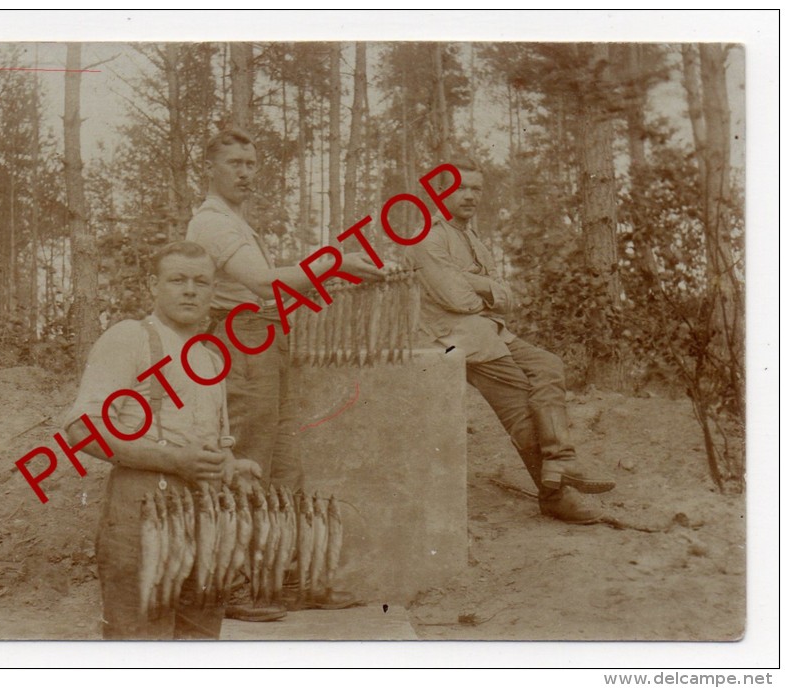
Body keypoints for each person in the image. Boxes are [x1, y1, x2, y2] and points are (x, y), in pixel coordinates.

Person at [186, 128, 381, 610]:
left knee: (285, 466)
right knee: (246, 460)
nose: (246, 173)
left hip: (268, 338)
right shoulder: (211, 222)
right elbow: (263, 282)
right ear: (208, 169)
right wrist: (335, 263)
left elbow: (275, 288)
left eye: (251, 164)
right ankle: (228, 587)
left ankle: (287, 581)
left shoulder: (235, 221)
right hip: (241, 339)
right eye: (234, 163)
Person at [62, 241, 260, 639]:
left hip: (206, 516)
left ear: (213, 291)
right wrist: (174, 460)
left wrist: (231, 465)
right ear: (154, 285)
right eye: (178, 280)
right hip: (144, 512)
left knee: (199, 642)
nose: (190, 290)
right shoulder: (130, 339)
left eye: (201, 282)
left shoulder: (209, 357)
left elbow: (212, 444)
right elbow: (81, 431)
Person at [404, 157, 615, 524]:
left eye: (476, 188)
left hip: (487, 330)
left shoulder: (471, 238)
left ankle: (560, 460)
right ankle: (554, 495)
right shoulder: (427, 238)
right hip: (451, 338)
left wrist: (479, 286)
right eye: (459, 188)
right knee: (519, 398)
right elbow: (459, 301)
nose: (470, 196)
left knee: (549, 365)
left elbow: (508, 298)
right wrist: (487, 289)